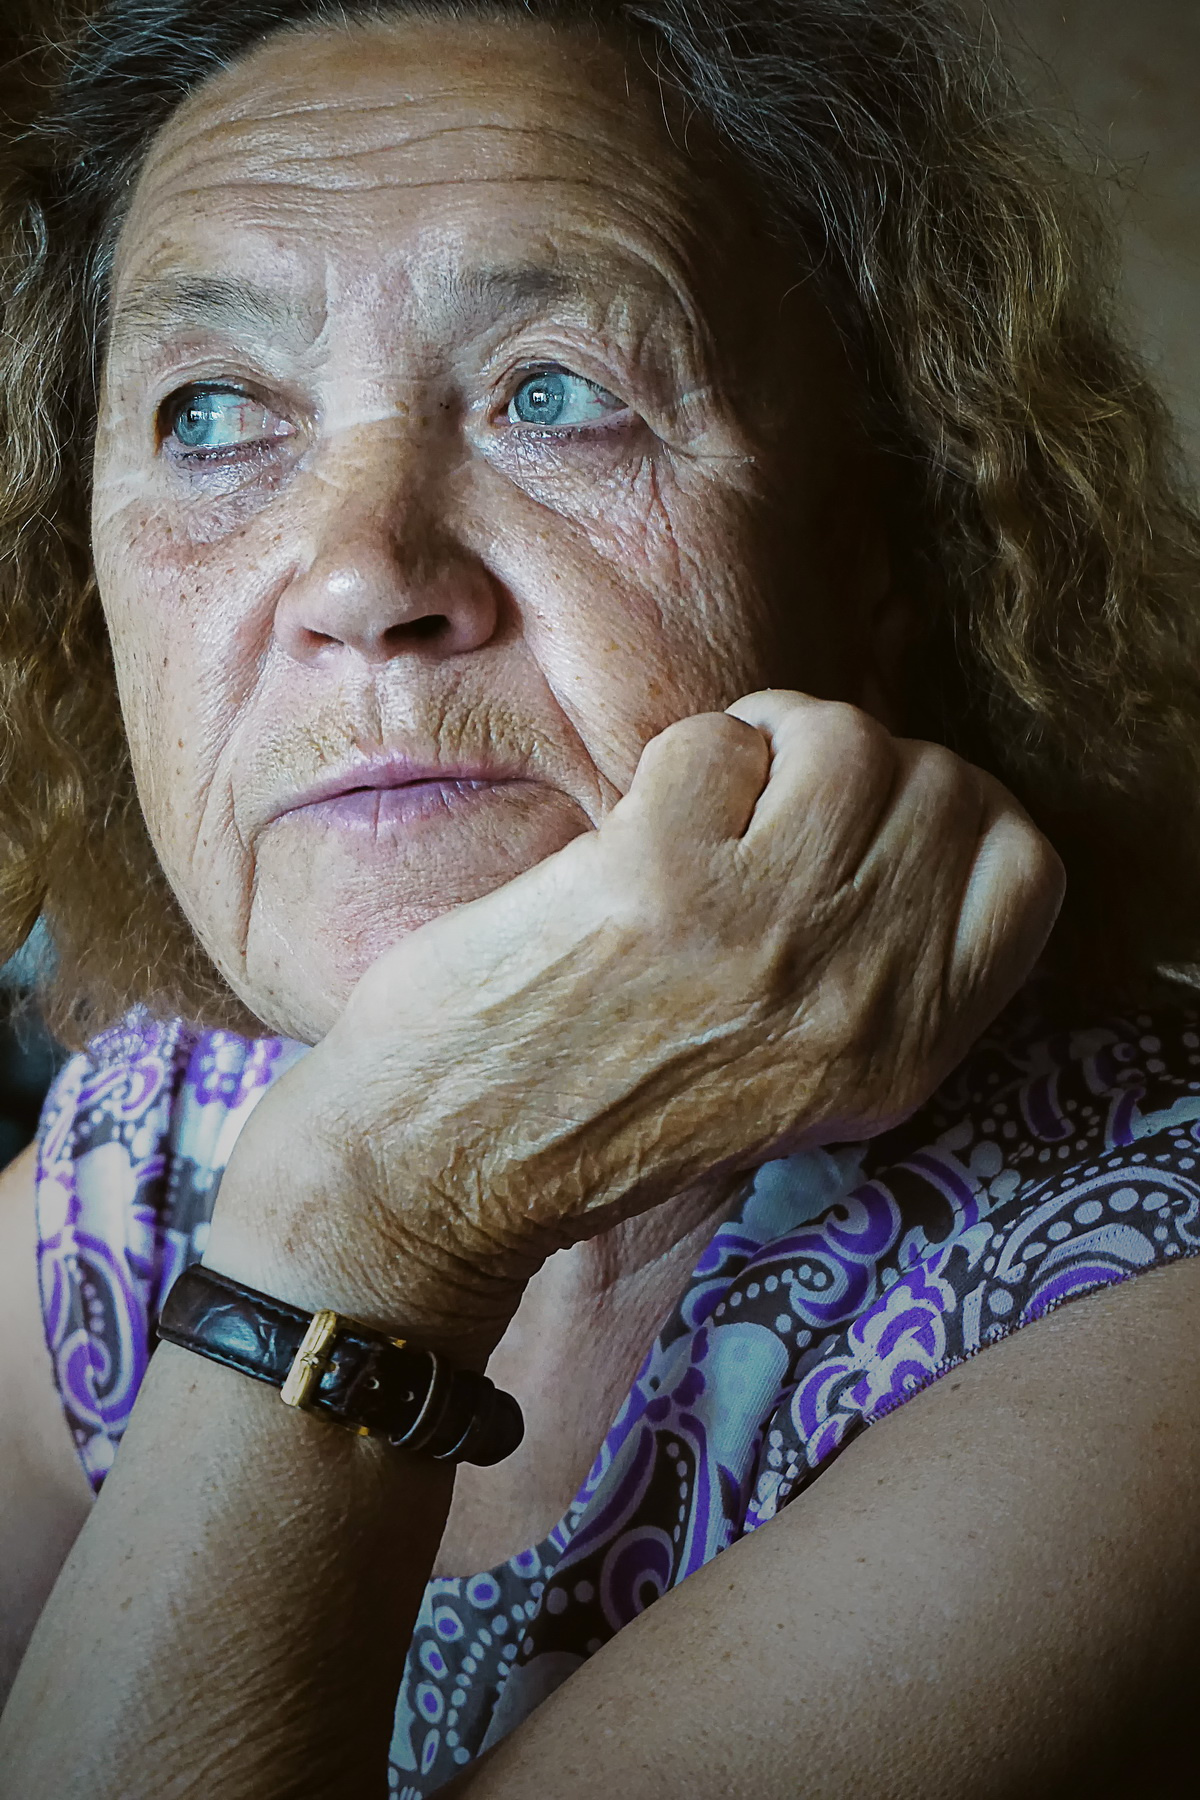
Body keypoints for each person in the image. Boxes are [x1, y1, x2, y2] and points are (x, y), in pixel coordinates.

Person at [2, 0, 1200, 1793]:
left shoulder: (1142, 1306)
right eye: (216, 412)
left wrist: (381, 1212)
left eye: (555, 391)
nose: (361, 573)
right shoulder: (145, 1141)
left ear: (877, 553)